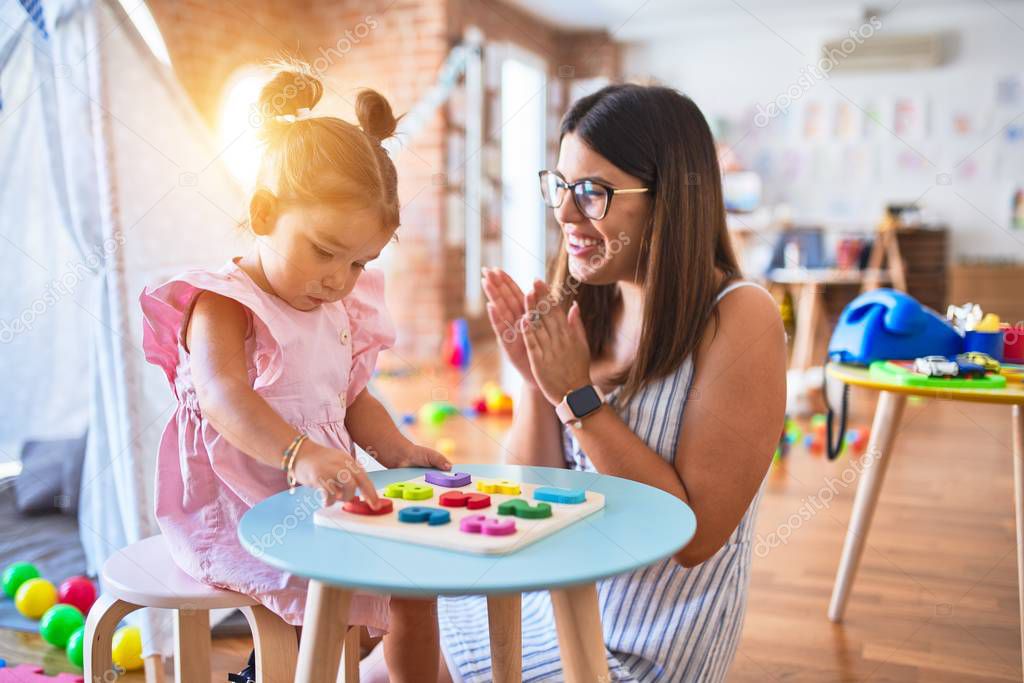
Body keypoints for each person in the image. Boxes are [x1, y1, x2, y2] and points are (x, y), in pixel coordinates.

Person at [439, 84, 787, 682]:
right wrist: (534, 382)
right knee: (396, 642)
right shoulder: (586, 299)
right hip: (561, 602)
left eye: (593, 193)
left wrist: (577, 400)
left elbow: (695, 537)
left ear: (669, 200)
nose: (565, 214)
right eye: (561, 187)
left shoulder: (740, 316)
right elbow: (537, 499)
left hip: (644, 649)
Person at [140, 61, 449, 683]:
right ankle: (268, 671)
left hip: (319, 491)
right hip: (241, 506)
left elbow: (350, 397)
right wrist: (300, 455)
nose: (339, 278)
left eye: (360, 262)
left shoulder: (337, 304)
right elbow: (223, 396)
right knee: (334, 607)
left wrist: (398, 448)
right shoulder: (224, 301)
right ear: (261, 214)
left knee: (416, 578)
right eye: (325, 251)